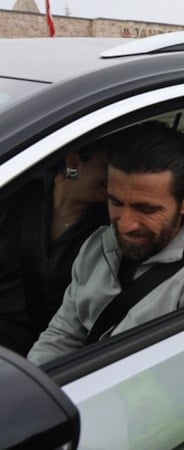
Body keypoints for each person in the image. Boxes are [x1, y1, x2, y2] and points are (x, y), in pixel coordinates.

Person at [28, 121, 184, 365]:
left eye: (146, 209)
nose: (125, 225)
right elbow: (62, 336)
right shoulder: (97, 245)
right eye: (115, 202)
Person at [0, 140, 109, 356]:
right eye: (108, 165)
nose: (115, 176)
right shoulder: (16, 189)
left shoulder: (110, 224)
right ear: (73, 162)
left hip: (39, 356)